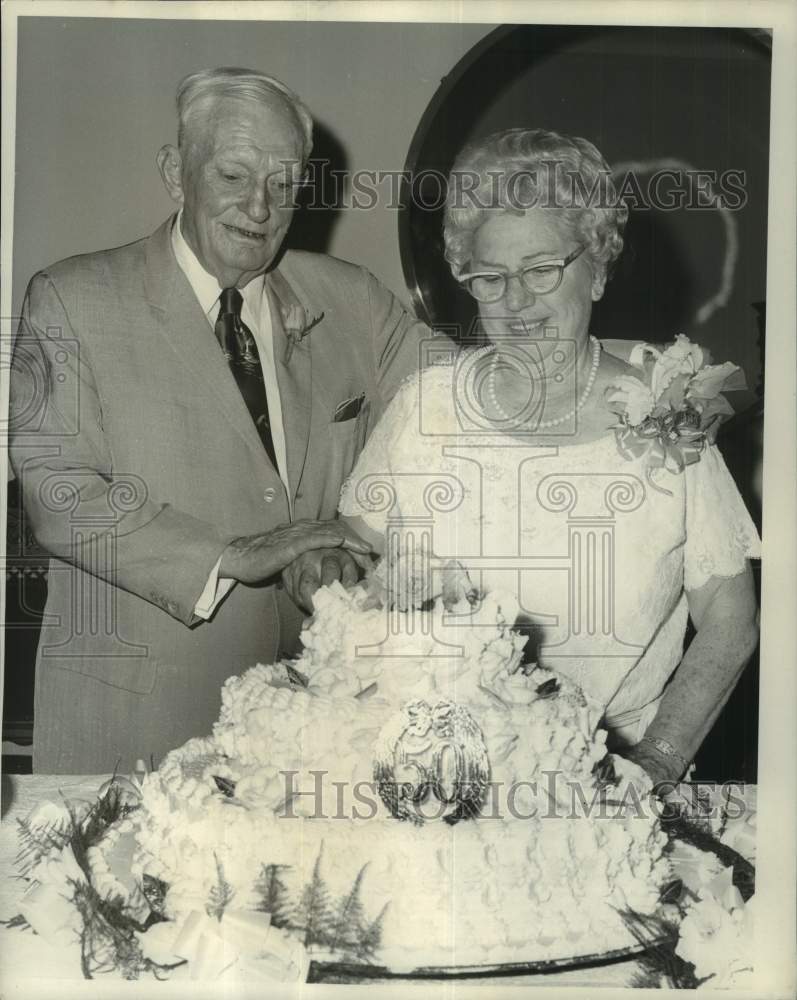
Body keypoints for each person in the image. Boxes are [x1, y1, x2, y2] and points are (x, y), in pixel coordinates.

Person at [9, 67, 431, 774]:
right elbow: (59, 494)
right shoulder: (72, 300)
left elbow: (461, 404)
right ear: (177, 172)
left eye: (282, 185)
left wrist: (652, 387)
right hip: (137, 726)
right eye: (233, 175)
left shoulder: (354, 300)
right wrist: (235, 554)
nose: (259, 208)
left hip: (318, 732)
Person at [340, 128, 761, 788]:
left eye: (540, 270)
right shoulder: (426, 404)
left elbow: (730, 618)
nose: (515, 302)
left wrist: (655, 762)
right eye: (490, 276)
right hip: (436, 776)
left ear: (594, 267)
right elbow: (350, 565)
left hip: (615, 780)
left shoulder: (664, 412)